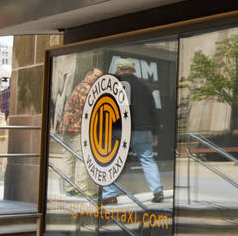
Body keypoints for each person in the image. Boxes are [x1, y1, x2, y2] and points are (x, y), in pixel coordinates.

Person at [101, 59, 164, 205]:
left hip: (124, 130)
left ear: (119, 69)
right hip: (145, 130)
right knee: (148, 160)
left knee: (110, 161)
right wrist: (154, 132)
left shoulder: (119, 84)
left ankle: (110, 194)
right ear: (132, 70)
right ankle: (157, 190)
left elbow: (119, 108)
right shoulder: (144, 86)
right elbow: (153, 111)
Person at [58, 67, 102, 195]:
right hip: (77, 129)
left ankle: (69, 187)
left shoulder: (79, 87)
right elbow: (90, 107)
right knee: (82, 158)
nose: (98, 80)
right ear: (88, 76)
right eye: (96, 77)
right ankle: (81, 188)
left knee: (69, 158)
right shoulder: (86, 89)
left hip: (67, 128)